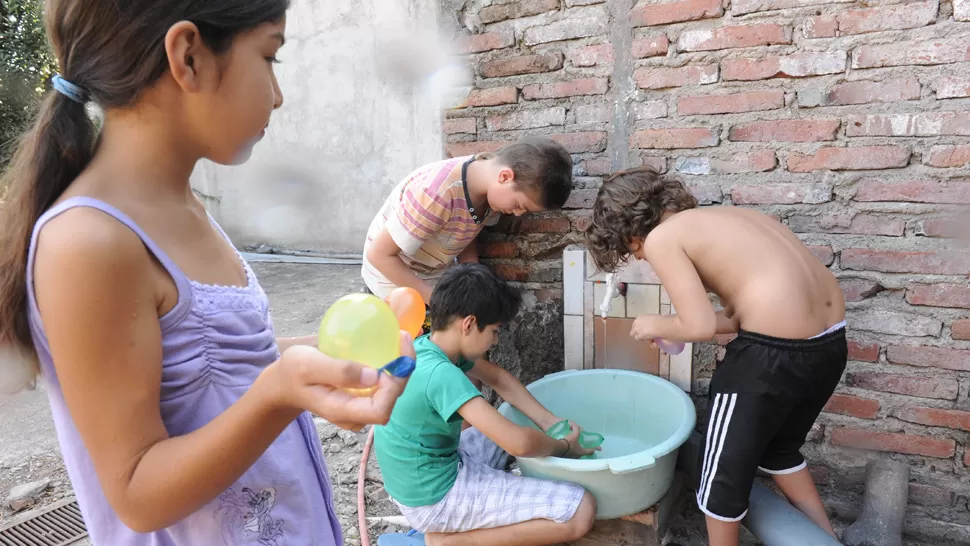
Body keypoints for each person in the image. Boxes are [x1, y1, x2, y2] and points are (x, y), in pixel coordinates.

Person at [0, 2, 410, 544]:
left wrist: (328, 359)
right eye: (269, 57)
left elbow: (220, 364)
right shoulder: (88, 242)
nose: (278, 94)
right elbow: (136, 493)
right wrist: (279, 394)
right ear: (189, 56)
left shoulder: (183, 205)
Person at [584, 167, 847, 546]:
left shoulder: (661, 239)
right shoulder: (731, 218)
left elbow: (699, 326)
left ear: (630, 232)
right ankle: (826, 537)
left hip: (770, 357)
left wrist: (653, 323)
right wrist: (672, 326)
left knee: (718, 481)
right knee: (780, 451)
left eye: (632, 252)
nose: (641, 259)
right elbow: (742, 315)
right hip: (828, 345)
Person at [373, 263, 598, 546]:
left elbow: (499, 379)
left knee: (518, 425)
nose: (495, 340)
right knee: (582, 509)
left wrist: (548, 422)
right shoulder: (442, 375)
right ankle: (451, 542)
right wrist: (566, 447)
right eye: (494, 331)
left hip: (426, 475)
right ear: (468, 324)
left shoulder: (428, 347)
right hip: (435, 500)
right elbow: (519, 444)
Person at [361, 136, 573, 332]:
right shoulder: (436, 193)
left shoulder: (489, 193)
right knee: (409, 353)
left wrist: (473, 279)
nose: (518, 213)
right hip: (391, 277)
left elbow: (467, 231)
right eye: (519, 205)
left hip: (430, 272)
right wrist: (438, 302)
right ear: (505, 176)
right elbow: (379, 255)